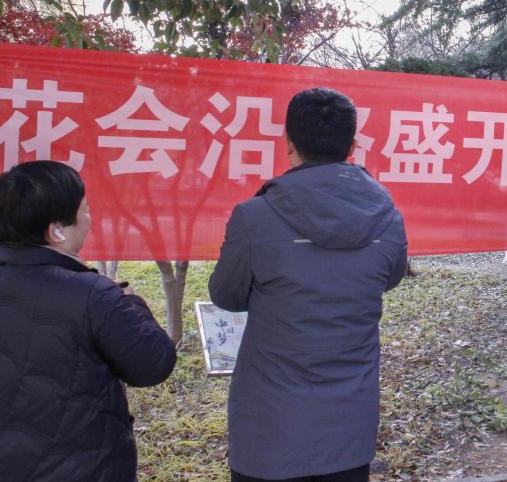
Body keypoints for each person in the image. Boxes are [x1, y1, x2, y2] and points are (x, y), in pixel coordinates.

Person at [209, 87, 407, 482]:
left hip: (269, 432)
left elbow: (226, 294)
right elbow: (390, 277)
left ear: (288, 142)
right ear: (352, 145)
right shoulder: (387, 217)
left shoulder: (254, 217)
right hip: (349, 428)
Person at [0, 160, 177, 482]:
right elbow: (153, 364)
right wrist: (131, 302)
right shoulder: (93, 294)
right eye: (85, 209)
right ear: (57, 230)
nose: (89, 218)